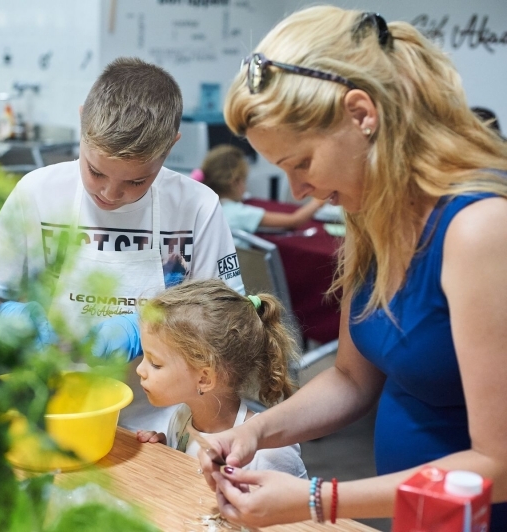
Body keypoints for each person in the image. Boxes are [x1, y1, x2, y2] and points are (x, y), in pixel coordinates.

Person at [196, 7, 507, 529]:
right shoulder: (371, 218)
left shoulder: (479, 230)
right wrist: (254, 432)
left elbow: (497, 464)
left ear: (362, 113)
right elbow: (350, 379)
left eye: (302, 163)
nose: (298, 191)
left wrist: (318, 500)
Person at [0, 57, 245, 434]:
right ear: (82, 122)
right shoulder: (38, 193)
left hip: (160, 422)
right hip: (53, 412)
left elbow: (231, 324)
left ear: (171, 146)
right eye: (95, 171)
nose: (110, 193)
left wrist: (143, 329)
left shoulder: (196, 207)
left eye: (136, 181)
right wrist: (16, 320)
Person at [134, 279, 306, 478]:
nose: (139, 370)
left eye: (155, 363)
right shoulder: (181, 419)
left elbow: (297, 498)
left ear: (205, 379)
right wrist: (166, 457)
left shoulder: (268, 453)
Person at [193, 144, 324, 234]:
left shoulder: (201, 208)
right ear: (235, 183)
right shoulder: (239, 213)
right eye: (244, 180)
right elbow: (295, 221)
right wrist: (319, 200)